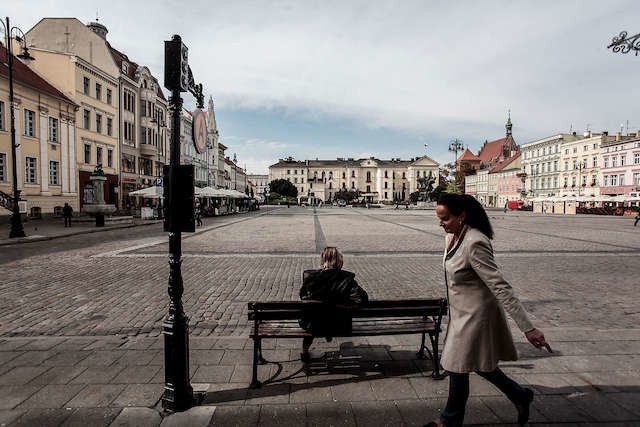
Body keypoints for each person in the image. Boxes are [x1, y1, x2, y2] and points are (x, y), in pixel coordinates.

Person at [426, 194, 552, 427]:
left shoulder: (476, 241)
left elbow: (500, 286)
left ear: (461, 216)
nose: (440, 224)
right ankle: (519, 395)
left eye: (444, 218)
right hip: (460, 314)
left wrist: (528, 328)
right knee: (475, 364)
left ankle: (448, 420)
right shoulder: (452, 237)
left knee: (457, 365)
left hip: (476, 317)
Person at [299, 247, 368, 362]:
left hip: (314, 326)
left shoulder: (311, 277)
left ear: (323, 261)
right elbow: (362, 299)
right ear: (339, 261)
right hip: (340, 325)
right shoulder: (347, 279)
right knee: (316, 314)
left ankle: (304, 352)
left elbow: (303, 298)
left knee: (311, 315)